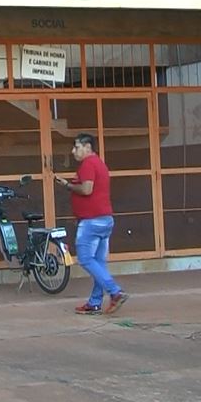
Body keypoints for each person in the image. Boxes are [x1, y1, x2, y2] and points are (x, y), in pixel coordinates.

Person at [55, 133, 129, 315]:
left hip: (92, 222)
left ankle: (115, 292)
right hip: (104, 219)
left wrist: (67, 185)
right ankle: (95, 302)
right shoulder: (100, 164)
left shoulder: (88, 164)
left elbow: (87, 189)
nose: (73, 151)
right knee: (99, 263)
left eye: (77, 147)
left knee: (86, 259)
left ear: (88, 147)